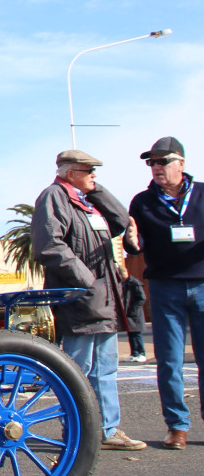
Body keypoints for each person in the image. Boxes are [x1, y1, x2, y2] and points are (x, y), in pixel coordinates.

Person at [31, 149, 146, 451]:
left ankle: (107, 430)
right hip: (80, 298)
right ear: (71, 173)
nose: (95, 175)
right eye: (89, 171)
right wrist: (85, 279)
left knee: (105, 369)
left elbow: (120, 221)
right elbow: (49, 245)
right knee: (77, 370)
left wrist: (98, 191)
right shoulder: (53, 196)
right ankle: (77, 432)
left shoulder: (87, 201)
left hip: (104, 298)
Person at [124, 136, 204, 450]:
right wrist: (131, 240)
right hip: (164, 287)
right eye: (152, 163)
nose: (156, 167)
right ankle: (177, 426)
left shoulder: (202, 194)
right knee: (168, 361)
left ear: (181, 164)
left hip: (203, 284)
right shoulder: (142, 202)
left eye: (163, 161)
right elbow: (135, 246)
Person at [118, 265, 147, 364]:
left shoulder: (134, 283)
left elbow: (142, 298)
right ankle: (134, 353)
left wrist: (133, 310)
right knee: (131, 334)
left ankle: (141, 353)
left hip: (135, 315)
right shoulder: (125, 283)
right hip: (129, 314)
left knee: (137, 334)